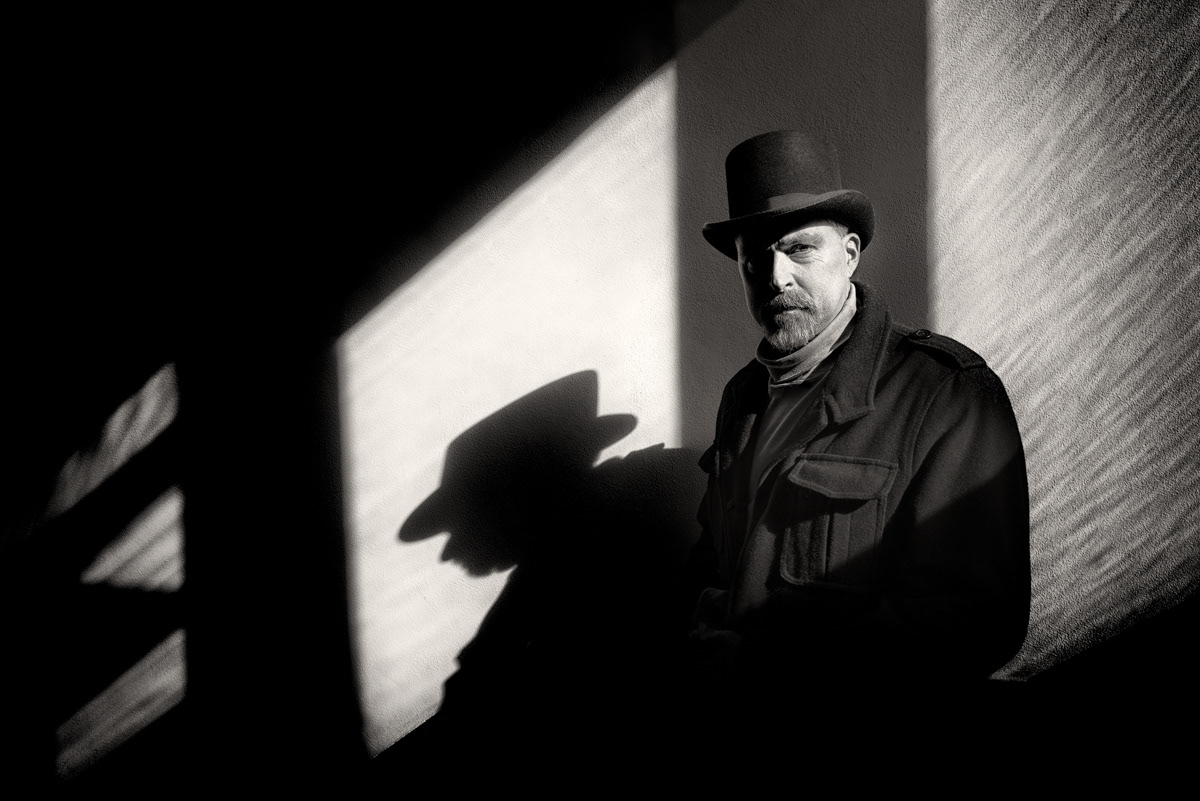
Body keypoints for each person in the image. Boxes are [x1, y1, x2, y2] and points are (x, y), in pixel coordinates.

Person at [684, 130, 1031, 728]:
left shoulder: (947, 393)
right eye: (753, 259)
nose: (775, 277)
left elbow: (976, 620)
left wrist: (760, 668)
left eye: (799, 249)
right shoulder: (741, 397)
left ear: (849, 254)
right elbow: (710, 560)